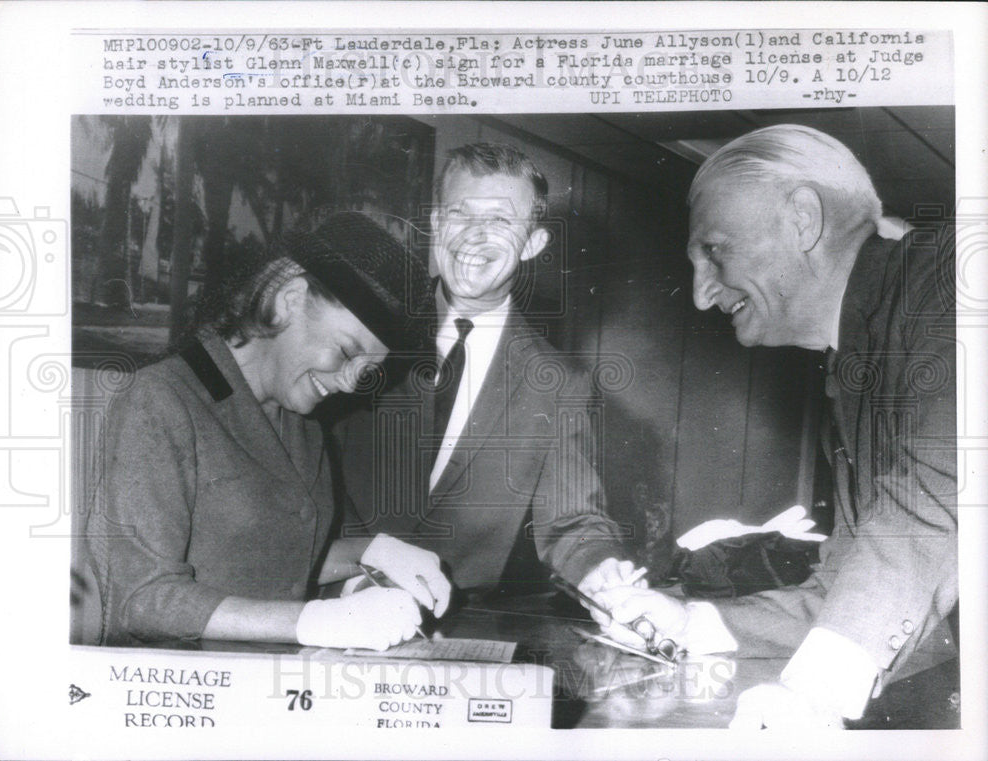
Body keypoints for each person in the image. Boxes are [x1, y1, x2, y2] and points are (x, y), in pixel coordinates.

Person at [596, 124, 957, 728]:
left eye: (714, 251)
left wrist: (815, 692)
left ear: (803, 218)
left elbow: (941, 499)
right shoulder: (854, 371)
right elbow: (845, 587)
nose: (701, 296)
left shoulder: (955, 273)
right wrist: (698, 623)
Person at [86, 212, 452, 650]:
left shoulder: (302, 422)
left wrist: (370, 554)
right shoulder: (161, 401)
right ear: (288, 299)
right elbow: (142, 599)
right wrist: (316, 621)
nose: (352, 382)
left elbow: (277, 562)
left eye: (368, 370)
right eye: (346, 351)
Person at [336, 143, 641, 600]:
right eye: (459, 214)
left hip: (453, 630)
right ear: (437, 224)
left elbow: (574, 523)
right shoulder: (355, 326)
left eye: (499, 221)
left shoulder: (559, 384)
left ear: (533, 243)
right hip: (321, 609)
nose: (473, 237)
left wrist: (603, 574)